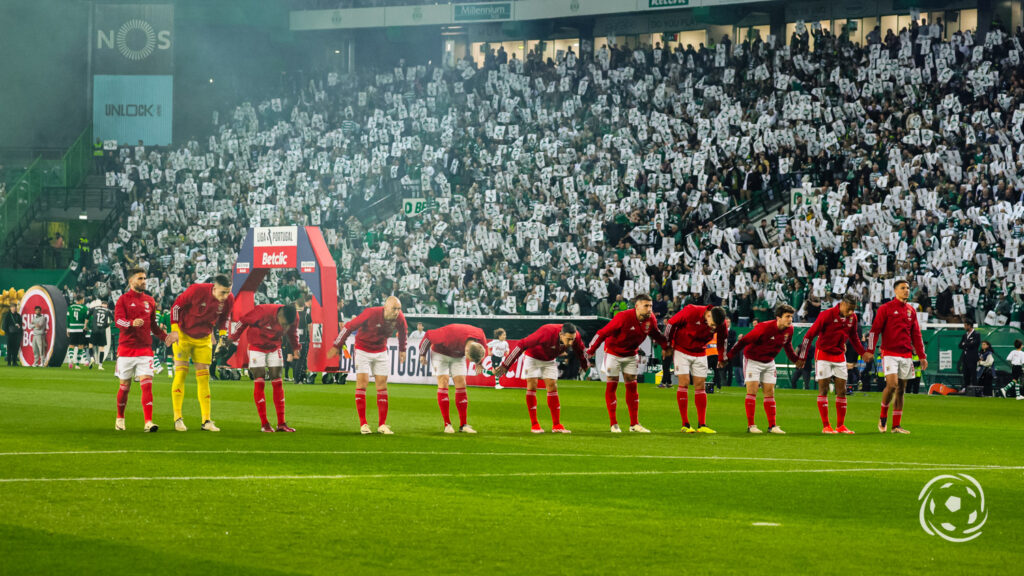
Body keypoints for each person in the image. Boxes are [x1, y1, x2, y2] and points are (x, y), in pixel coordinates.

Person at [585, 294, 669, 433]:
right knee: (612, 384)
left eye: (651, 306)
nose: (649, 309)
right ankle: (614, 424)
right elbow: (602, 333)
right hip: (613, 353)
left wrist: (666, 346)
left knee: (632, 386)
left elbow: (656, 334)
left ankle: (634, 424)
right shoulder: (623, 317)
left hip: (631, 354)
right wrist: (591, 350)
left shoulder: (651, 319)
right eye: (646, 306)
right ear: (637, 306)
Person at [327, 296, 408, 434]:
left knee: (382, 386)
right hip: (362, 350)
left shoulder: (399, 318)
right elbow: (349, 326)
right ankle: (363, 424)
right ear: (386, 307)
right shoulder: (371, 313)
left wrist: (402, 350)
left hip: (381, 351)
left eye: (399, 309)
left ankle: (382, 425)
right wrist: (337, 345)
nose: (397, 312)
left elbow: (403, 332)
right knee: (362, 383)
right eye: (394, 309)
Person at [114, 267, 178, 432]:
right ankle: (120, 417)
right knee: (125, 387)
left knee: (147, 386)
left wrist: (165, 337)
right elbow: (118, 321)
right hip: (126, 349)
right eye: (140, 278)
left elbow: (154, 326)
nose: (144, 281)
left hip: (145, 350)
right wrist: (130, 323)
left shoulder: (150, 300)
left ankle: (148, 422)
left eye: (145, 278)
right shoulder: (122, 300)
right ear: (131, 281)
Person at [495, 323, 590, 434]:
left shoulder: (576, 337)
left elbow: (581, 351)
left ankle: (557, 425)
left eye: (572, 340)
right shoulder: (546, 332)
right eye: (568, 339)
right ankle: (534, 424)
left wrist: (585, 365)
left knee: (552, 386)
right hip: (533, 357)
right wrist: (506, 365)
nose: (570, 343)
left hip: (549, 360)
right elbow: (522, 344)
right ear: (561, 334)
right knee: (532, 384)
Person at [797, 294, 870, 434]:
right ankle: (826, 426)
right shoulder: (826, 315)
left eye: (853, 310)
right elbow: (809, 335)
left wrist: (863, 352)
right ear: (842, 304)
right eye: (849, 309)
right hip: (823, 354)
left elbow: (854, 337)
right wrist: (802, 356)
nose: (851, 313)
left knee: (841, 391)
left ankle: (840, 426)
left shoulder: (852, 318)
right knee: (823, 389)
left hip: (839, 355)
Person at [169, 275, 234, 432]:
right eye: (223, 293)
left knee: (204, 378)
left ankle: (206, 420)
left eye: (228, 292)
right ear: (214, 288)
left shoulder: (229, 299)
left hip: (204, 338)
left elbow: (224, 318)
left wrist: (223, 336)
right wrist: (175, 331)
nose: (225, 297)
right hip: (183, 335)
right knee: (181, 375)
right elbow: (176, 307)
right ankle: (178, 418)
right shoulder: (196, 290)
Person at [868, 279, 927, 434]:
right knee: (892, 384)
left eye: (908, 288)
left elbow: (916, 334)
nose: (906, 290)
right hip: (889, 353)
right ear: (895, 291)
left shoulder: (911, 311)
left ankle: (896, 426)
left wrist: (922, 355)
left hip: (906, 354)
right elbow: (874, 331)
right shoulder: (885, 309)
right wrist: (870, 349)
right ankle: (882, 416)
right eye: (903, 288)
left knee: (901, 389)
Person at [728, 304, 798, 434]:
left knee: (770, 392)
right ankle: (751, 426)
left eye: (791, 317)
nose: (790, 319)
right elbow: (743, 341)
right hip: (752, 360)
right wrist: (730, 356)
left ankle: (772, 426)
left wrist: (796, 360)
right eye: (787, 316)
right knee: (752, 391)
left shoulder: (790, 330)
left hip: (769, 362)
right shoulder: (764, 328)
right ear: (778, 318)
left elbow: (788, 346)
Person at [230, 303, 299, 433]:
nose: (285, 328)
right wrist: (233, 339)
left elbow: (292, 332)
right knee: (260, 380)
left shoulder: (293, 317)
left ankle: (281, 424)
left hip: (274, 347)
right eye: (284, 324)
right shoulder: (262, 311)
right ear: (280, 314)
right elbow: (243, 321)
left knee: (278, 382)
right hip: (257, 346)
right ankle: (265, 424)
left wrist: (295, 348)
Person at [665, 304, 728, 433]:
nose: (714, 327)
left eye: (716, 326)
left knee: (700, 384)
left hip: (700, 351)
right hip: (681, 349)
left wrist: (721, 357)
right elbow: (671, 323)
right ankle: (685, 424)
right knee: (684, 382)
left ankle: (702, 425)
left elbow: (722, 340)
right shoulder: (691, 311)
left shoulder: (721, 323)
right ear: (709, 314)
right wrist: (667, 345)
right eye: (713, 324)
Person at [417, 323, 487, 433]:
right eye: (470, 359)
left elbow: (483, 350)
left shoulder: (479, 336)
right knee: (443, 382)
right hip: (440, 354)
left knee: (461, 384)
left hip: (458, 356)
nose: (470, 362)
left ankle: (463, 425)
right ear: (467, 351)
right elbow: (428, 335)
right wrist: (422, 354)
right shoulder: (447, 336)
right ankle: (447, 424)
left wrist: (479, 362)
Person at [88, 300, 113, 370]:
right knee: (101, 348)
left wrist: (85, 325)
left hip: (94, 330)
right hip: (102, 331)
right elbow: (113, 319)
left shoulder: (95, 308)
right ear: (106, 306)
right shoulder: (108, 311)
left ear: (101, 304)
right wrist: (107, 324)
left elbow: (88, 316)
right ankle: (100, 365)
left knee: (90, 345)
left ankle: (92, 357)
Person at [66, 294, 89, 369]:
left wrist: (68, 329)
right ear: (82, 299)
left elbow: (68, 318)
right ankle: (77, 364)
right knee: (80, 346)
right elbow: (87, 318)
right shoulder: (84, 308)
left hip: (72, 328)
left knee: (71, 345)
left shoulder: (70, 307)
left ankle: (71, 359)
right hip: (80, 329)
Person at [958, 319, 980, 390]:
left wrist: (965, 344)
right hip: (965, 357)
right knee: (965, 374)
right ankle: (966, 389)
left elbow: (974, 344)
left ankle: (974, 389)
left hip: (972, 357)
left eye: (965, 325)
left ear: (969, 326)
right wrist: (968, 344)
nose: (964, 327)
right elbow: (960, 345)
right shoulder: (965, 335)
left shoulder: (976, 334)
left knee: (973, 374)